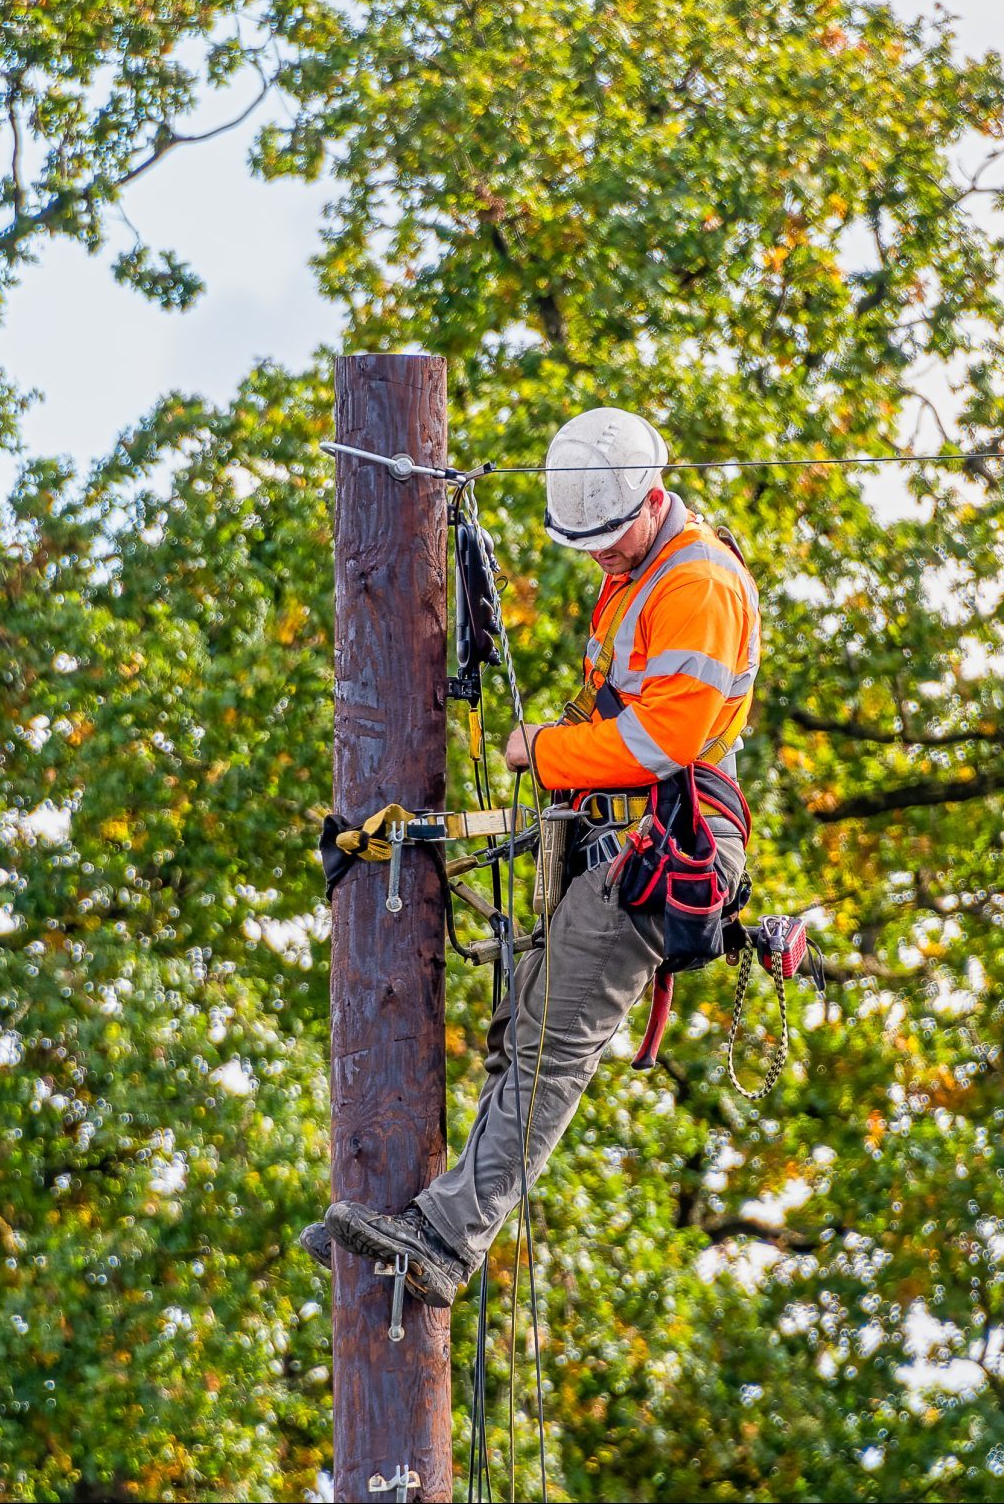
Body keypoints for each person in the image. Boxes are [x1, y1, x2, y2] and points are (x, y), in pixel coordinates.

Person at [310, 406, 761, 1305]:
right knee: (525, 1025)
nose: (595, 556)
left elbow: (661, 741)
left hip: (669, 844)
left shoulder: (696, 584)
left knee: (552, 1048)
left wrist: (542, 750)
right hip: (624, 834)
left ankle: (442, 1241)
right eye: (582, 542)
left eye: (606, 537)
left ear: (652, 499)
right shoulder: (638, 570)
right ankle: (437, 1213)